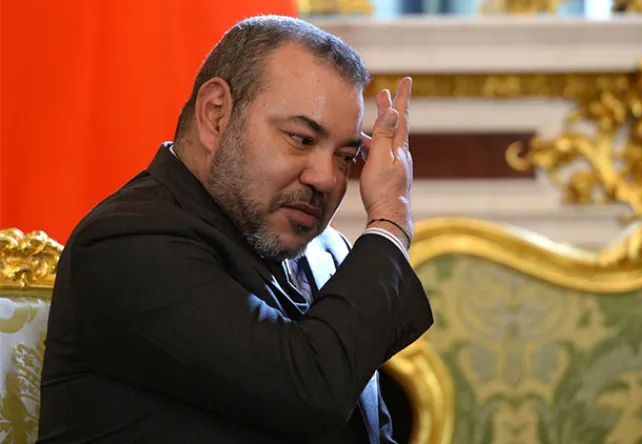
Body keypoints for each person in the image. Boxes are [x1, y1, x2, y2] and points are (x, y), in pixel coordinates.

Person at [36, 15, 433, 444]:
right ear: (216, 115)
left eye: (346, 157)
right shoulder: (125, 243)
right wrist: (389, 220)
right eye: (301, 138)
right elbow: (307, 390)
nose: (326, 178)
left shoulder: (329, 252)